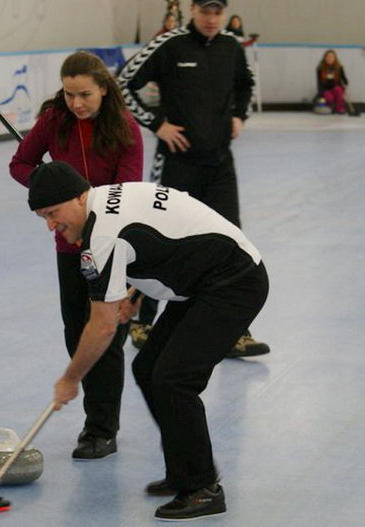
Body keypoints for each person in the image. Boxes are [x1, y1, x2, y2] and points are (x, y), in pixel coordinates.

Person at [27, 161, 269, 521]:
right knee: (149, 366)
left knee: (173, 378)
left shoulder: (103, 235)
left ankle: (202, 489)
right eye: (42, 217)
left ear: (79, 197)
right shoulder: (105, 199)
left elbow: (102, 326)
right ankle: (183, 473)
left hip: (234, 282)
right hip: (208, 279)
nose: (51, 226)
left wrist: (71, 378)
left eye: (53, 213)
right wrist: (136, 291)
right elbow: (163, 235)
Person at [9, 51, 144, 460]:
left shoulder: (126, 129)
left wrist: (90, 208)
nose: (77, 103)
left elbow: (128, 194)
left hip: (113, 245)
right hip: (69, 247)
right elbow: (20, 163)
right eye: (69, 94)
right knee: (77, 332)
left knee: (108, 334)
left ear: (104, 88)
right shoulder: (54, 120)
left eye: (85, 94)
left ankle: (101, 428)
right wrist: (52, 188)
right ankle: (95, 416)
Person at [117, 0, 269, 359]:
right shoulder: (169, 45)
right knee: (160, 240)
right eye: (206, 11)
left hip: (219, 164)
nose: (213, 19)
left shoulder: (232, 46)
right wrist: (157, 124)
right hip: (176, 164)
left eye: (218, 12)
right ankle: (143, 320)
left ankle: (234, 331)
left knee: (233, 245)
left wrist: (239, 116)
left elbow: (245, 85)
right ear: (193, 10)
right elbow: (122, 83)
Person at [316, 49, 349, 115]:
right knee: (330, 98)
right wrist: (321, 92)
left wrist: (345, 83)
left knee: (338, 89)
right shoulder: (320, 68)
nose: (329, 58)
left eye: (331, 57)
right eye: (328, 57)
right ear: (325, 58)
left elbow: (345, 80)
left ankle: (340, 108)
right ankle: (331, 107)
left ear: (335, 58)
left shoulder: (339, 68)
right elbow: (319, 83)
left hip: (335, 88)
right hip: (326, 89)